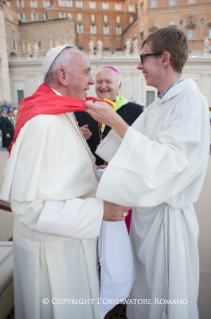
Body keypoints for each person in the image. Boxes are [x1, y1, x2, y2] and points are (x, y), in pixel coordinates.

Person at [85, 27, 210, 319]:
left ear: (164, 58)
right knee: (143, 297)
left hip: (168, 222)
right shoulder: (157, 106)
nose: (139, 65)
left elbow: (171, 163)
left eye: (143, 57)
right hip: (145, 219)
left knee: (164, 300)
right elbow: (123, 153)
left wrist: (115, 120)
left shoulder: (190, 101)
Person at [0, 45, 131, 319]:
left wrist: (101, 176)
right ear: (62, 75)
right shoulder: (42, 122)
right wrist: (100, 211)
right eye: (86, 72)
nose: (92, 81)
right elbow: (29, 208)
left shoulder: (61, 111)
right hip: (51, 258)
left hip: (67, 244)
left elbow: (60, 175)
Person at [75, 66, 143, 165]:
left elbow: (139, 145)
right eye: (99, 82)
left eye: (108, 82)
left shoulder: (135, 110)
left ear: (119, 86)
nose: (103, 86)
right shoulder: (83, 108)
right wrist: (76, 134)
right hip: (87, 173)